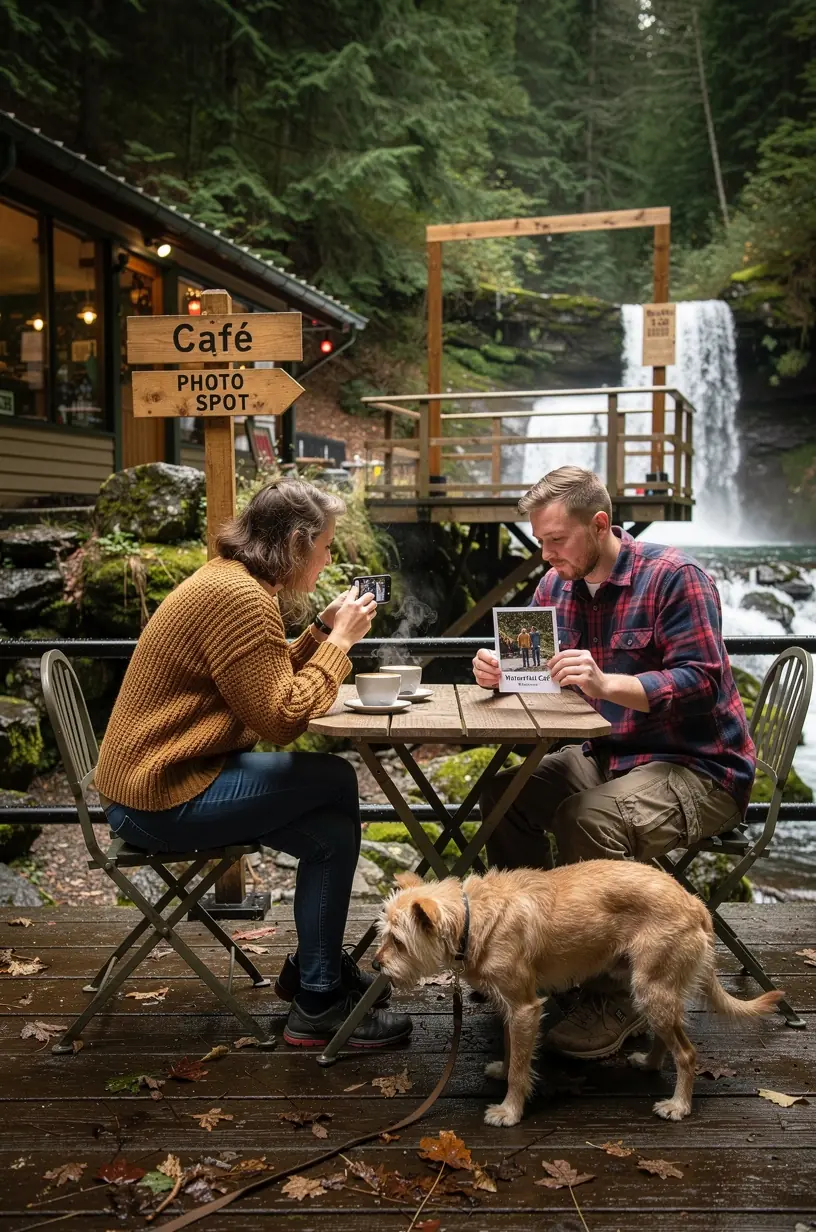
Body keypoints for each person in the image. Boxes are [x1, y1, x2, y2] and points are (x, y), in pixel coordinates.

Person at [95, 479, 412, 1050]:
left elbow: (258, 676)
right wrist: (339, 645)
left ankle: (316, 982)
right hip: (158, 796)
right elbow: (281, 717)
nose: (330, 559)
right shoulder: (241, 599)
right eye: (327, 547)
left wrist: (318, 632)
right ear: (296, 543)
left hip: (156, 780)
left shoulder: (230, 583)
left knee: (331, 833)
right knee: (336, 780)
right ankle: (317, 992)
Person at [472, 466, 755, 1059]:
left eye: (556, 540)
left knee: (586, 819)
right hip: (610, 754)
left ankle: (611, 998)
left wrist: (608, 682)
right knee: (502, 797)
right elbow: (537, 677)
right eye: (539, 541)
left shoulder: (676, 578)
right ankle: (531, 955)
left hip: (700, 766)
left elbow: (702, 680)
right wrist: (502, 675)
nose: (545, 555)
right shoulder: (554, 585)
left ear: (600, 525)